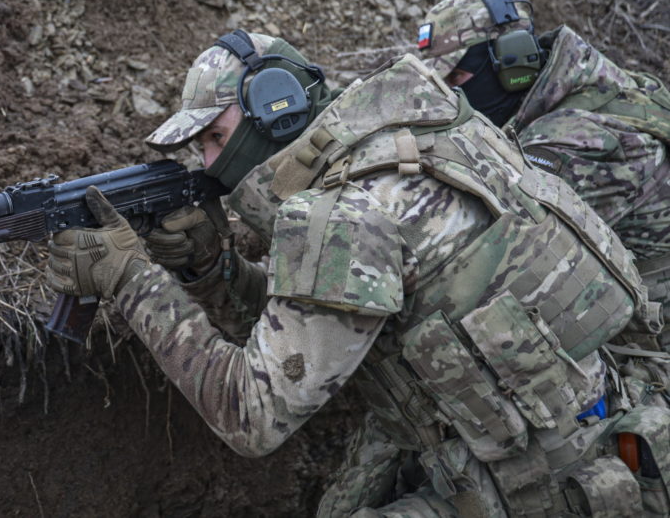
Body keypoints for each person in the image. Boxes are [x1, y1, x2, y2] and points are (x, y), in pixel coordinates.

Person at [45, 29, 668, 516]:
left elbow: (251, 415)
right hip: (610, 435)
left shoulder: (345, 215)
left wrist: (130, 280)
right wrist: (214, 271)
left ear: (275, 113)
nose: (207, 164)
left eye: (212, 137)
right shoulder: (417, 136)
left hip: (560, 492)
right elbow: (305, 326)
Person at [418, 0, 670, 339]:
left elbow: (505, 269)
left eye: (456, 78)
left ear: (512, 60)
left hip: (651, 348)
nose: (450, 94)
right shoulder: (579, 82)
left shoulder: (576, 139)